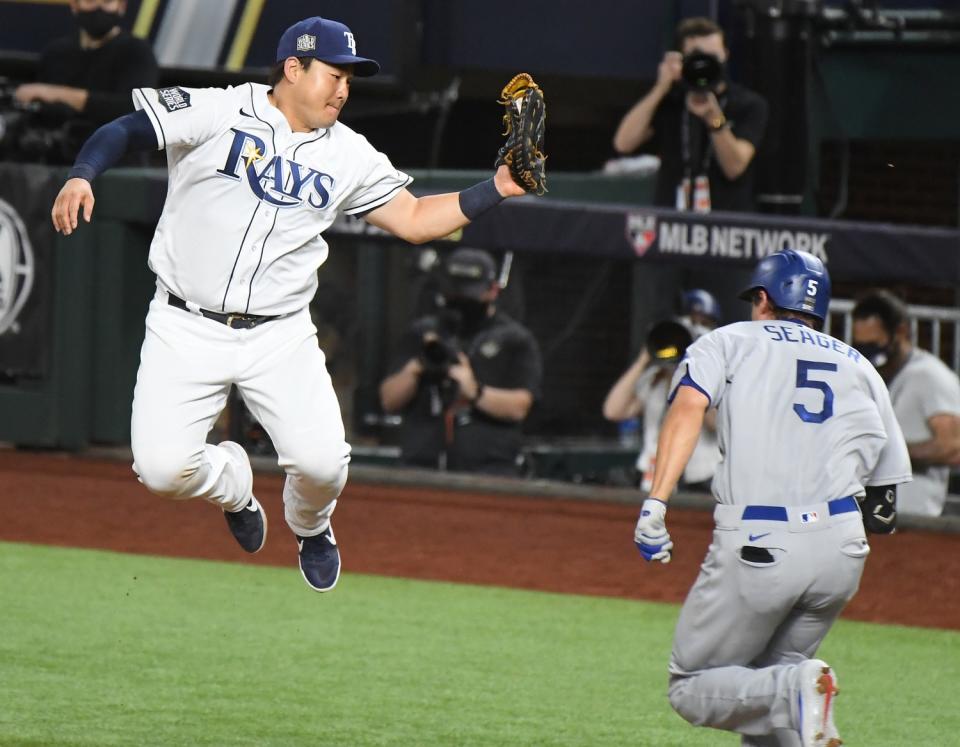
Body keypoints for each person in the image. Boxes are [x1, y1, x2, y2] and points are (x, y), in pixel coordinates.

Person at [49, 16, 529, 593]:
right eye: (334, 74)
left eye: (351, 77)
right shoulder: (222, 110)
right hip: (185, 324)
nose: (344, 88)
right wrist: (83, 175)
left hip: (278, 337)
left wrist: (495, 189)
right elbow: (125, 128)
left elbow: (416, 219)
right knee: (160, 470)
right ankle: (233, 484)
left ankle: (310, 525)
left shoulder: (349, 153)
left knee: (324, 465)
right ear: (293, 69)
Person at [634, 249, 911, 746]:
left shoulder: (728, 341)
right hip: (843, 549)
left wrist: (656, 502)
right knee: (768, 694)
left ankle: (795, 689)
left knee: (693, 685)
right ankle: (796, 690)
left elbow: (688, 407)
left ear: (762, 298)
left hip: (761, 540)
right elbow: (884, 507)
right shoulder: (860, 366)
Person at [379, 248, 542, 475]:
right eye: (456, 291)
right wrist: (419, 366)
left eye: (470, 293)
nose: (462, 299)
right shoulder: (424, 331)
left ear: (493, 290)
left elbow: (519, 407)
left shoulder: (514, 339)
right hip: (421, 466)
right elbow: (389, 400)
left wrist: (474, 391)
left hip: (489, 469)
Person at [612, 16, 768, 213]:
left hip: (726, 225)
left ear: (726, 55)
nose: (704, 66)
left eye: (712, 57)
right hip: (672, 223)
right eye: (697, 57)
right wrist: (661, 87)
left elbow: (735, 167)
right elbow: (623, 143)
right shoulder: (670, 100)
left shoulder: (749, 104)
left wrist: (714, 119)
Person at [851, 290, 960, 517]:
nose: (869, 354)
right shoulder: (873, 376)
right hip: (873, 514)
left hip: (914, 518)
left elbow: (953, 446)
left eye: (874, 344)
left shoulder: (929, 375)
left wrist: (892, 453)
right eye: (862, 347)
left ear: (900, 331)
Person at [15, 0, 158, 158]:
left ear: (121, 6)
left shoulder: (137, 52)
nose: (98, 8)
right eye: (90, 1)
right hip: (56, 161)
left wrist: (56, 93)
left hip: (116, 162)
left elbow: (134, 107)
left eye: (107, 1)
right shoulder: (56, 53)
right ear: (75, 6)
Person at [602, 317, 720, 492]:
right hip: (653, 475)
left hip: (698, 479)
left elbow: (715, 424)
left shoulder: (710, 377)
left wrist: (691, 374)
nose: (675, 348)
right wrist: (643, 359)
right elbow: (613, 411)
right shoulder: (654, 378)